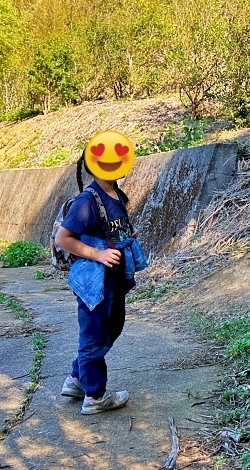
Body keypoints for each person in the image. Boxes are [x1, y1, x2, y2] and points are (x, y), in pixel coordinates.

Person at [54, 130, 147, 415]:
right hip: (95, 279)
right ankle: (95, 395)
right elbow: (64, 238)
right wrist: (99, 253)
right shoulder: (87, 201)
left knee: (111, 327)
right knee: (95, 332)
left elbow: (110, 229)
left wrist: (124, 235)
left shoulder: (115, 193)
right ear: (93, 163)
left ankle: (77, 378)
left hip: (114, 276)